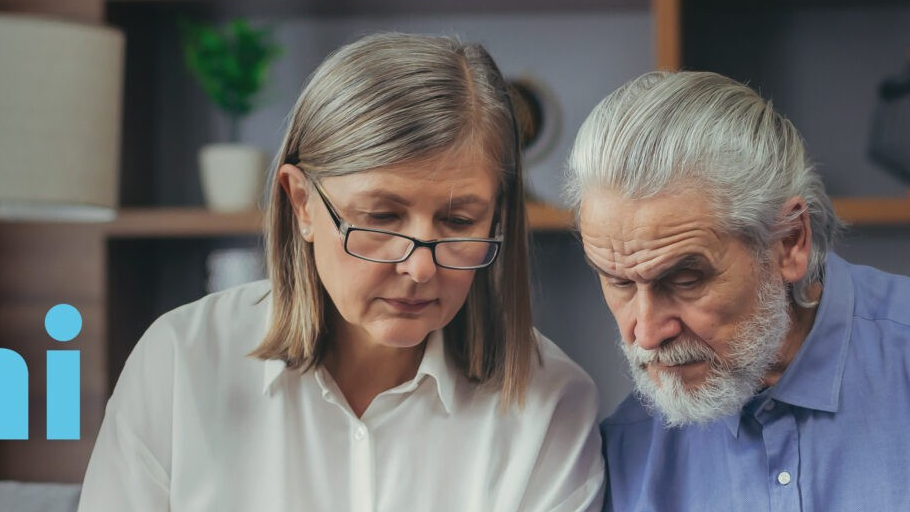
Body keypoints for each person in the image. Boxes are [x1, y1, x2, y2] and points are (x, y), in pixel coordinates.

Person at [79, 33, 604, 511]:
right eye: (381, 217)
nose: (421, 266)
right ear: (301, 203)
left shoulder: (551, 404)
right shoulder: (181, 362)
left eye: (459, 221)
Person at [565, 70, 910, 512]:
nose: (647, 334)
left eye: (686, 279)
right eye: (619, 281)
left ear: (789, 242)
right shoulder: (622, 454)